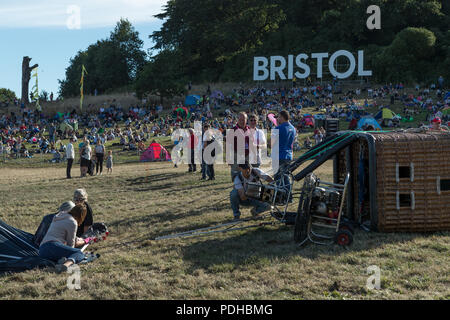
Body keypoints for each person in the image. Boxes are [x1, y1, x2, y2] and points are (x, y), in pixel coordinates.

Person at [38, 203, 87, 273]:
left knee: (62, 255)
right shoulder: (72, 222)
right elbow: (71, 243)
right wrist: (72, 250)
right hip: (53, 246)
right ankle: (65, 265)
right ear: (81, 215)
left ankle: (61, 261)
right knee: (79, 253)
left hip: (42, 250)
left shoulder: (60, 216)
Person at [227, 112, 250, 181]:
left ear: (246, 120)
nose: (242, 121)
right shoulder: (233, 130)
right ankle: (237, 189)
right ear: (237, 120)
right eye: (240, 119)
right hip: (236, 155)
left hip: (247, 155)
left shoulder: (249, 129)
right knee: (236, 174)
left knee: (247, 174)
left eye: (244, 119)